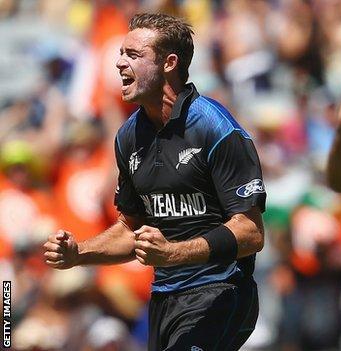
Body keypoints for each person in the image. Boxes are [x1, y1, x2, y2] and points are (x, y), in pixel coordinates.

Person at [43, 13, 266, 351]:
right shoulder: (128, 137)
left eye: (133, 55)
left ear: (169, 63)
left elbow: (251, 233)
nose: (118, 63)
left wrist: (173, 253)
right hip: (164, 298)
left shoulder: (215, 128)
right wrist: (79, 253)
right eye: (120, 53)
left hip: (222, 290)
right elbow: (129, 229)